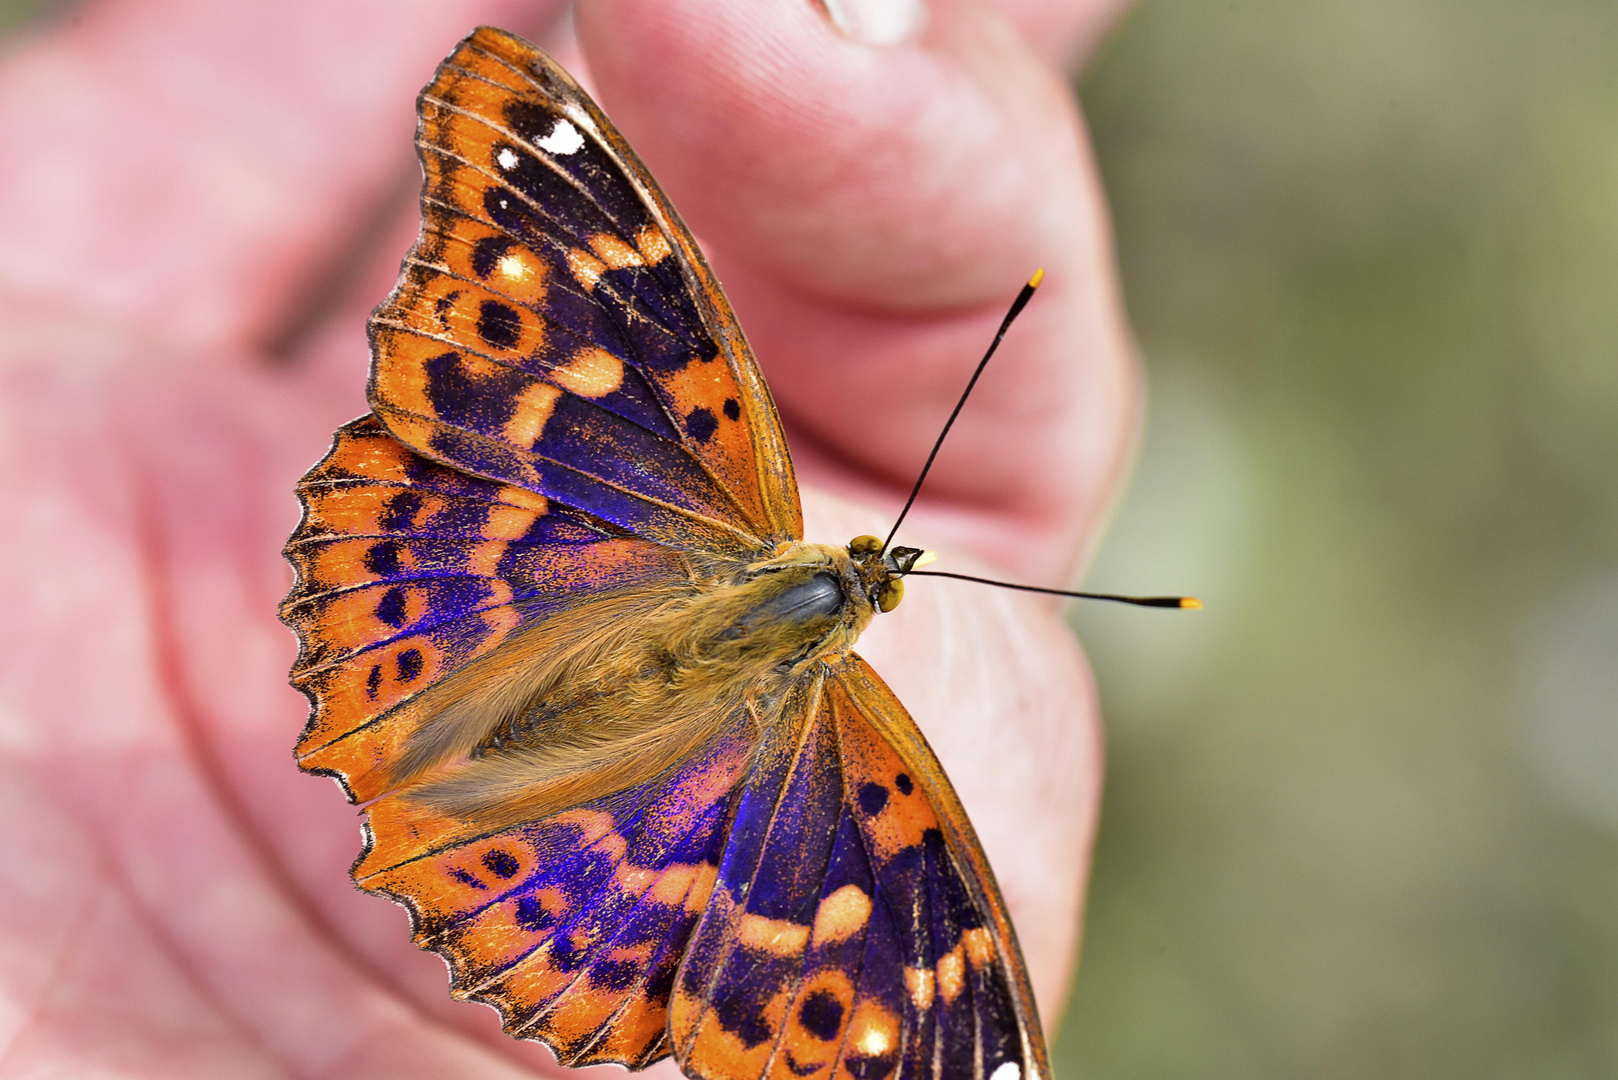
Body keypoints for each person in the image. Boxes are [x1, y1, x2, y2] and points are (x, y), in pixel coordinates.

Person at [0, 0, 1138, 1074]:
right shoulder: (876, 781)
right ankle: (440, 814)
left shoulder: (718, 451)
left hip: (457, 584)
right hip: (567, 860)